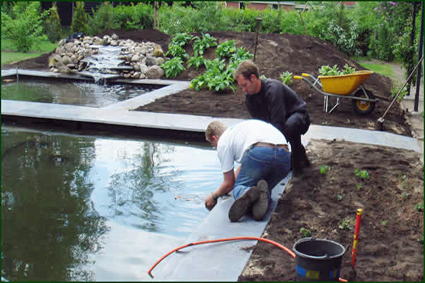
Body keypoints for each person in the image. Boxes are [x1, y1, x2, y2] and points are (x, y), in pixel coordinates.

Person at [233, 60, 311, 175]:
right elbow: (260, 125)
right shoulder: (249, 98)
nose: (243, 90)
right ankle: (300, 152)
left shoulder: (273, 90)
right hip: (281, 121)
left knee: (290, 126)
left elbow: (278, 124)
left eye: (244, 85)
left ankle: (297, 166)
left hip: (299, 115)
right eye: (241, 87)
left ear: (253, 78)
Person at [204, 119, 291, 222]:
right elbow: (243, 168)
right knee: (262, 189)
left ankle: (247, 192)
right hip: (285, 157)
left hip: (260, 153)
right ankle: (263, 195)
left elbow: (229, 183)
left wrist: (213, 196)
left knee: (239, 188)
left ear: (214, 138)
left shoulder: (223, 142)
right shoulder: (239, 131)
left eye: (213, 144)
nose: (215, 147)